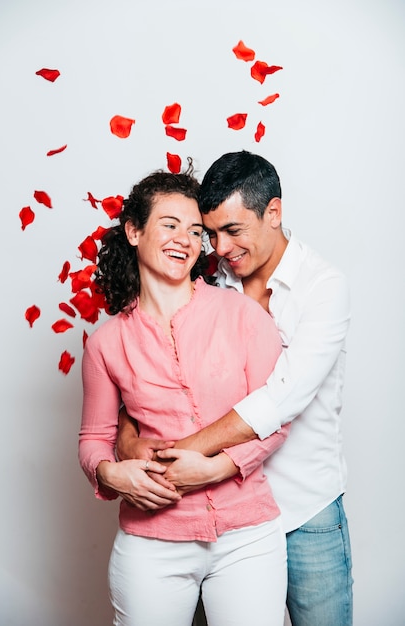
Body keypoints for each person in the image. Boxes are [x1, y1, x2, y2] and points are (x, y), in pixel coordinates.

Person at [117, 151, 354, 626]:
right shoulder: (206, 282)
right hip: (226, 517)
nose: (220, 247)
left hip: (305, 509)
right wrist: (127, 443)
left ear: (273, 213)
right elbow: (150, 375)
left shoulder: (323, 287)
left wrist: (181, 458)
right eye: (212, 233)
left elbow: (282, 399)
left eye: (233, 231)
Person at [78, 166, 290, 626]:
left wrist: (221, 466)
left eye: (196, 230)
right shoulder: (105, 344)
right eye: (169, 225)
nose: (185, 239)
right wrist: (112, 474)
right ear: (134, 231)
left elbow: (278, 416)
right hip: (151, 543)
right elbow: (94, 438)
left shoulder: (242, 314)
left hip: (247, 535)